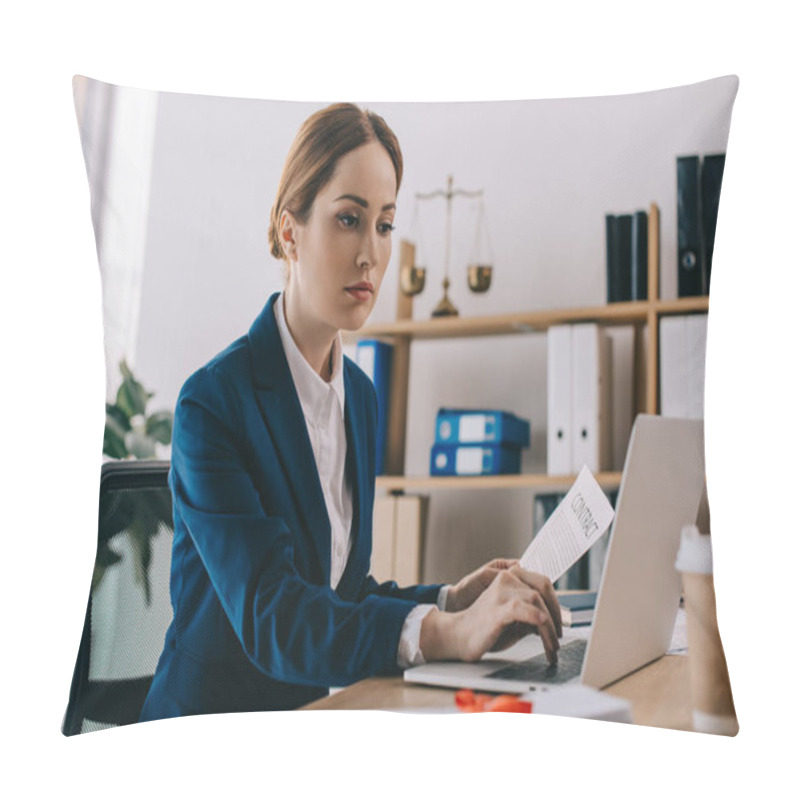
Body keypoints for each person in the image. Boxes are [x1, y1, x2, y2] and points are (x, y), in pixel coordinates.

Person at [139, 103, 561, 722]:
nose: (370, 253)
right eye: (348, 219)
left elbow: (339, 594)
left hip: (310, 717)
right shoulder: (212, 405)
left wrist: (450, 600)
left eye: (385, 225)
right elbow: (275, 616)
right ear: (291, 232)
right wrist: (445, 633)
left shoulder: (359, 397)